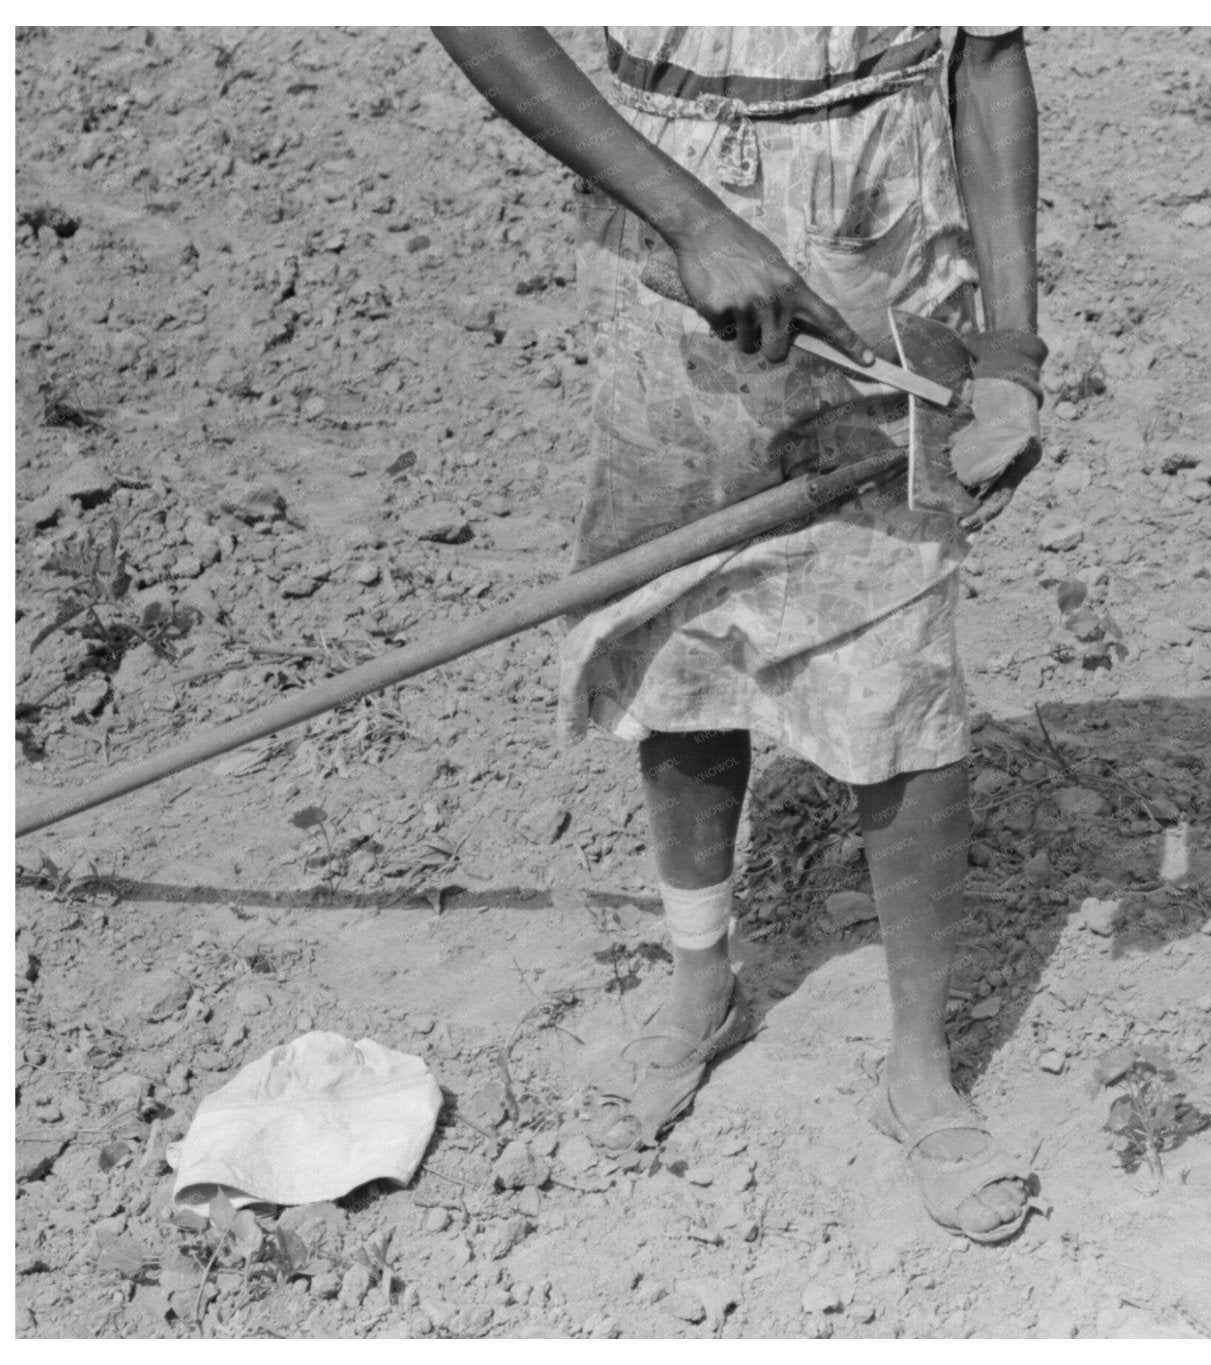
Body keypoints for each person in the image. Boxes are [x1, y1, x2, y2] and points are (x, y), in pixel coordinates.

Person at [430, 26, 1044, 1242]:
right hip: (673, 239)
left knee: (900, 651)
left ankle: (917, 1064)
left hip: (889, 253)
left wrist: (1013, 343)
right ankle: (701, 988)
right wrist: (692, 218)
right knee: (683, 634)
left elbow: (984, 62)